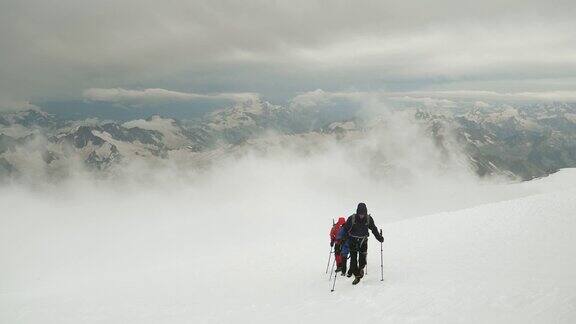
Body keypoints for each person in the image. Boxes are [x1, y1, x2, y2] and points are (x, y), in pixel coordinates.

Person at [341, 202, 384, 285]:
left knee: (362, 260)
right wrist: (343, 239)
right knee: (353, 262)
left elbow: (374, 229)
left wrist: (379, 238)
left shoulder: (368, 219)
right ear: (357, 212)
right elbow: (345, 229)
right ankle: (357, 276)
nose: (361, 215)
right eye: (360, 213)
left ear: (366, 212)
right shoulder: (352, 218)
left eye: (363, 213)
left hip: (363, 241)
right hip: (352, 241)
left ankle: (360, 270)